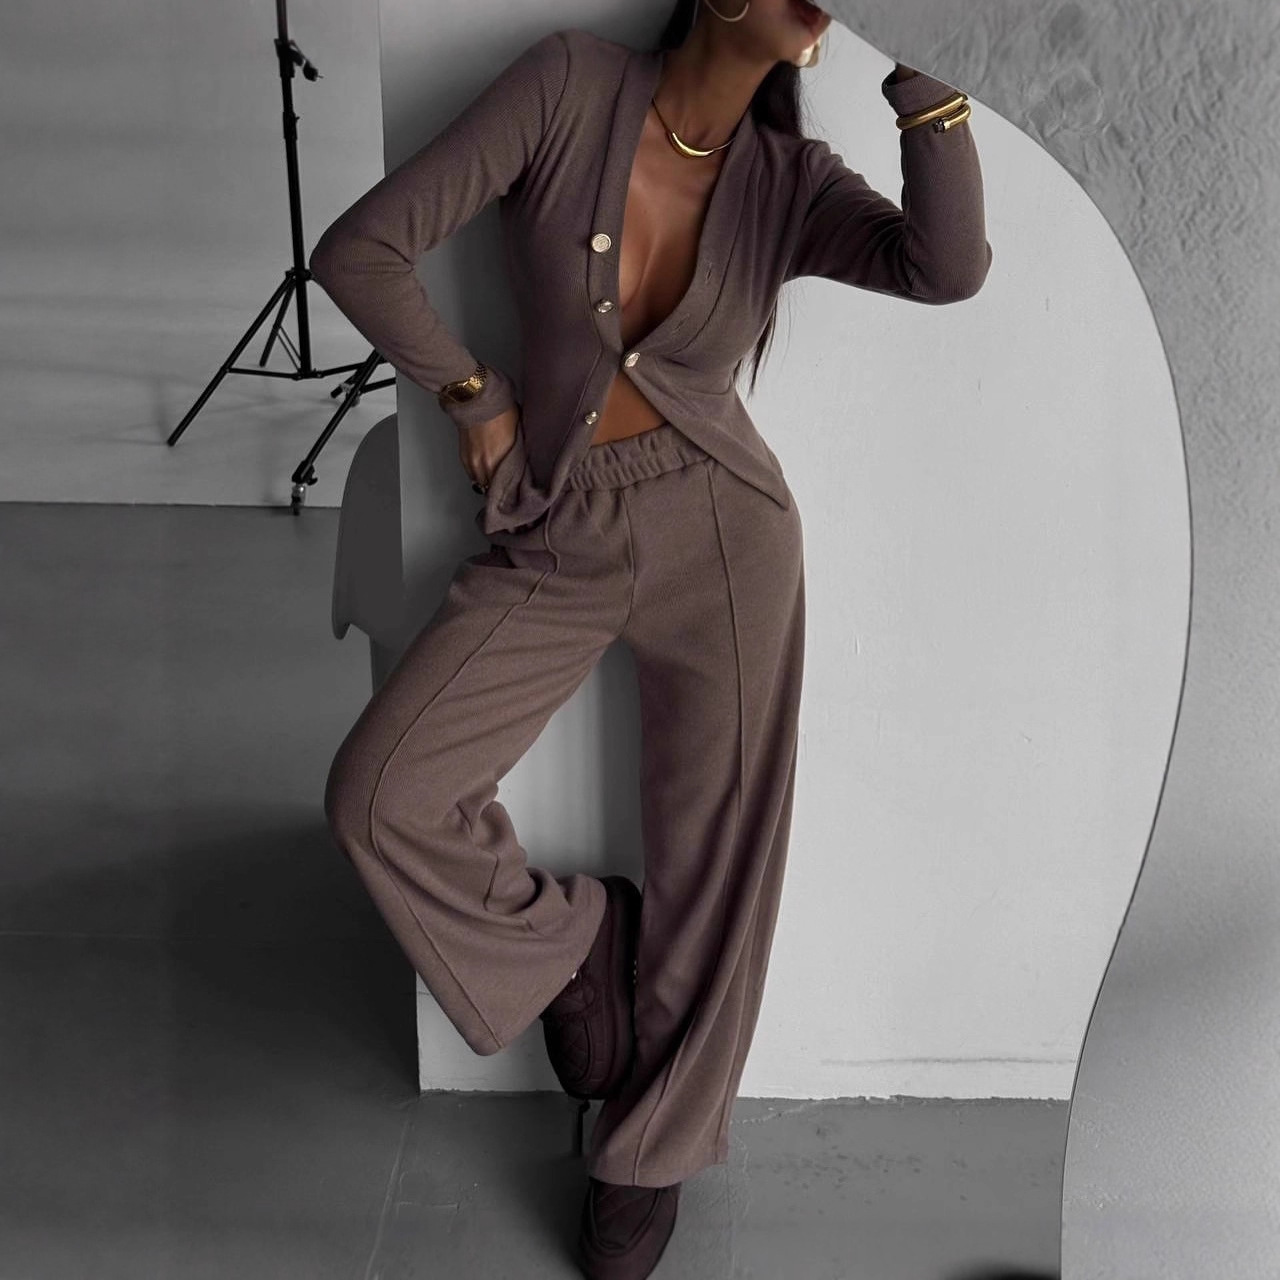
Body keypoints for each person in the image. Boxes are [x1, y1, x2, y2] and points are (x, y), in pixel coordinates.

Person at [313, 0, 991, 1275]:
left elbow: (944, 266)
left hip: (723, 538)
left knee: (714, 862)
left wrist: (929, 76)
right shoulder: (567, 86)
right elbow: (360, 250)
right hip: (557, 526)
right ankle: (573, 945)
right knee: (382, 792)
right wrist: (474, 392)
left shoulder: (791, 180)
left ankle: (649, 1152)